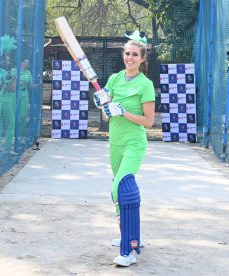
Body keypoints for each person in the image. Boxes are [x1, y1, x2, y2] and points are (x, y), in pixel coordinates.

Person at [93, 33, 155, 267]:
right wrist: (103, 104)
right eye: (127, 53)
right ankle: (129, 235)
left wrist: (123, 112)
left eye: (134, 55)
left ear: (142, 58)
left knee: (122, 188)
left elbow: (149, 122)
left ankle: (129, 250)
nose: (130, 57)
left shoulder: (145, 85)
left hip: (134, 143)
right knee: (117, 192)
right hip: (115, 142)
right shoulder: (115, 78)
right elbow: (105, 111)